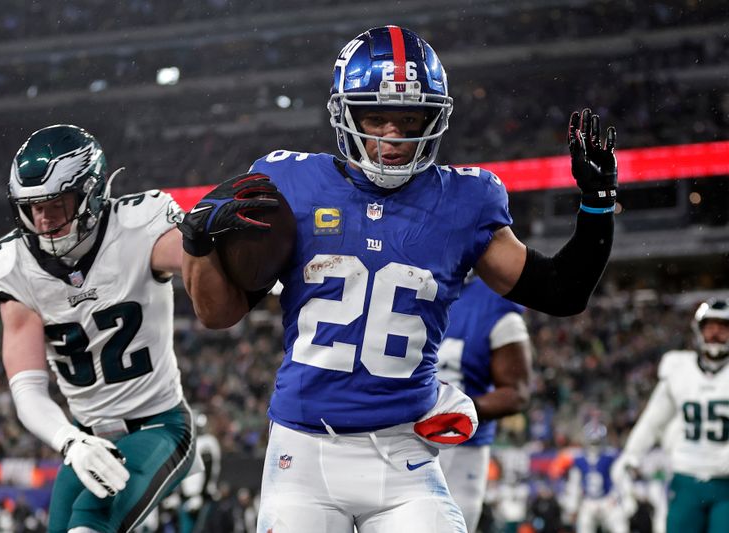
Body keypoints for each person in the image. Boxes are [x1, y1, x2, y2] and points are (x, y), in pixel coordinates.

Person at [178, 25, 618, 533]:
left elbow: (562, 292)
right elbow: (217, 313)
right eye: (375, 117)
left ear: (433, 119)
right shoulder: (293, 186)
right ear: (346, 114)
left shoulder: (464, 201)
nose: (392, 136)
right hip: (303, 453)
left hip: (405, 452)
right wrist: (198, 245)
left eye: (409, 119)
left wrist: (597, 205)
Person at [0, 124, 197, 533]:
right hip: (86, 437)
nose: (43, 219)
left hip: (159, 425)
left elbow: (201, 258)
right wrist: (69, 440)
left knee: (90, 522)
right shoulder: (13, 267)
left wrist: (238, 258)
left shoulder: (137, 228)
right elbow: (26, 389)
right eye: (33, 207)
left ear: (90, 193)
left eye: (57, 204)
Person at [614, 298, 729, 533]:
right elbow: (653, 421)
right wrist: (632, 454)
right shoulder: (679, 369)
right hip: (686, 477)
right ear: (699, 330)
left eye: (723, 326)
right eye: (710, 326)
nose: (715, 333)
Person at [436, 275, 533, 532]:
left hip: (460, 449)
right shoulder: (407, 274)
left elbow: (517, 392)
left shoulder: (492, 299)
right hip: (394, 439)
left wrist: (453, 412)